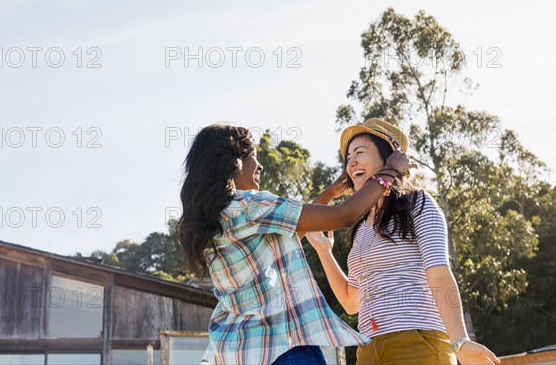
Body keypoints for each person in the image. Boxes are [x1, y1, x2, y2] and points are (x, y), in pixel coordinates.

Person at [176, 123, 416, 365]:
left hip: (236, 352)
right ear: (233, 162)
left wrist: (331, 192)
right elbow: (345, 215)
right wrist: (389, 171)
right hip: (283, 347)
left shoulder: (215, 219)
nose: (259, 165)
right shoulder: (252, 206)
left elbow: (293, 229)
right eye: (254, 157)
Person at [306, 118, 501, 365]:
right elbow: (351, 302)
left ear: (388, 159)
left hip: (417, 340)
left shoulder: (417, 203)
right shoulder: (361, 226)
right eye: (348, 158)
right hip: (368, 348)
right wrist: (324, 251)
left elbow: (439, 275)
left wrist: (460, 341)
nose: (351, 161)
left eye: (360, 152)